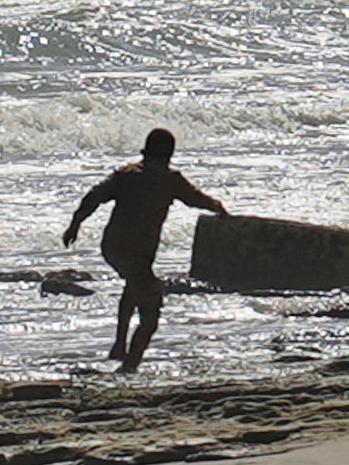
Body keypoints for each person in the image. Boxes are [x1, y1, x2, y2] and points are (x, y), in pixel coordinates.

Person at [64, 127, 227, 371]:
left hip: (113, 247)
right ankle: (130, 366)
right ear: (169, 154)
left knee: (133, 287)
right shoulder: (170, 179)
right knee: (151, 311)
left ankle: (119, 345)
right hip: (137, 253)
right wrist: (219, 208)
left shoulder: (126, 174)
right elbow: (195, 198)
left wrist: (75, 224)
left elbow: (93, 197)